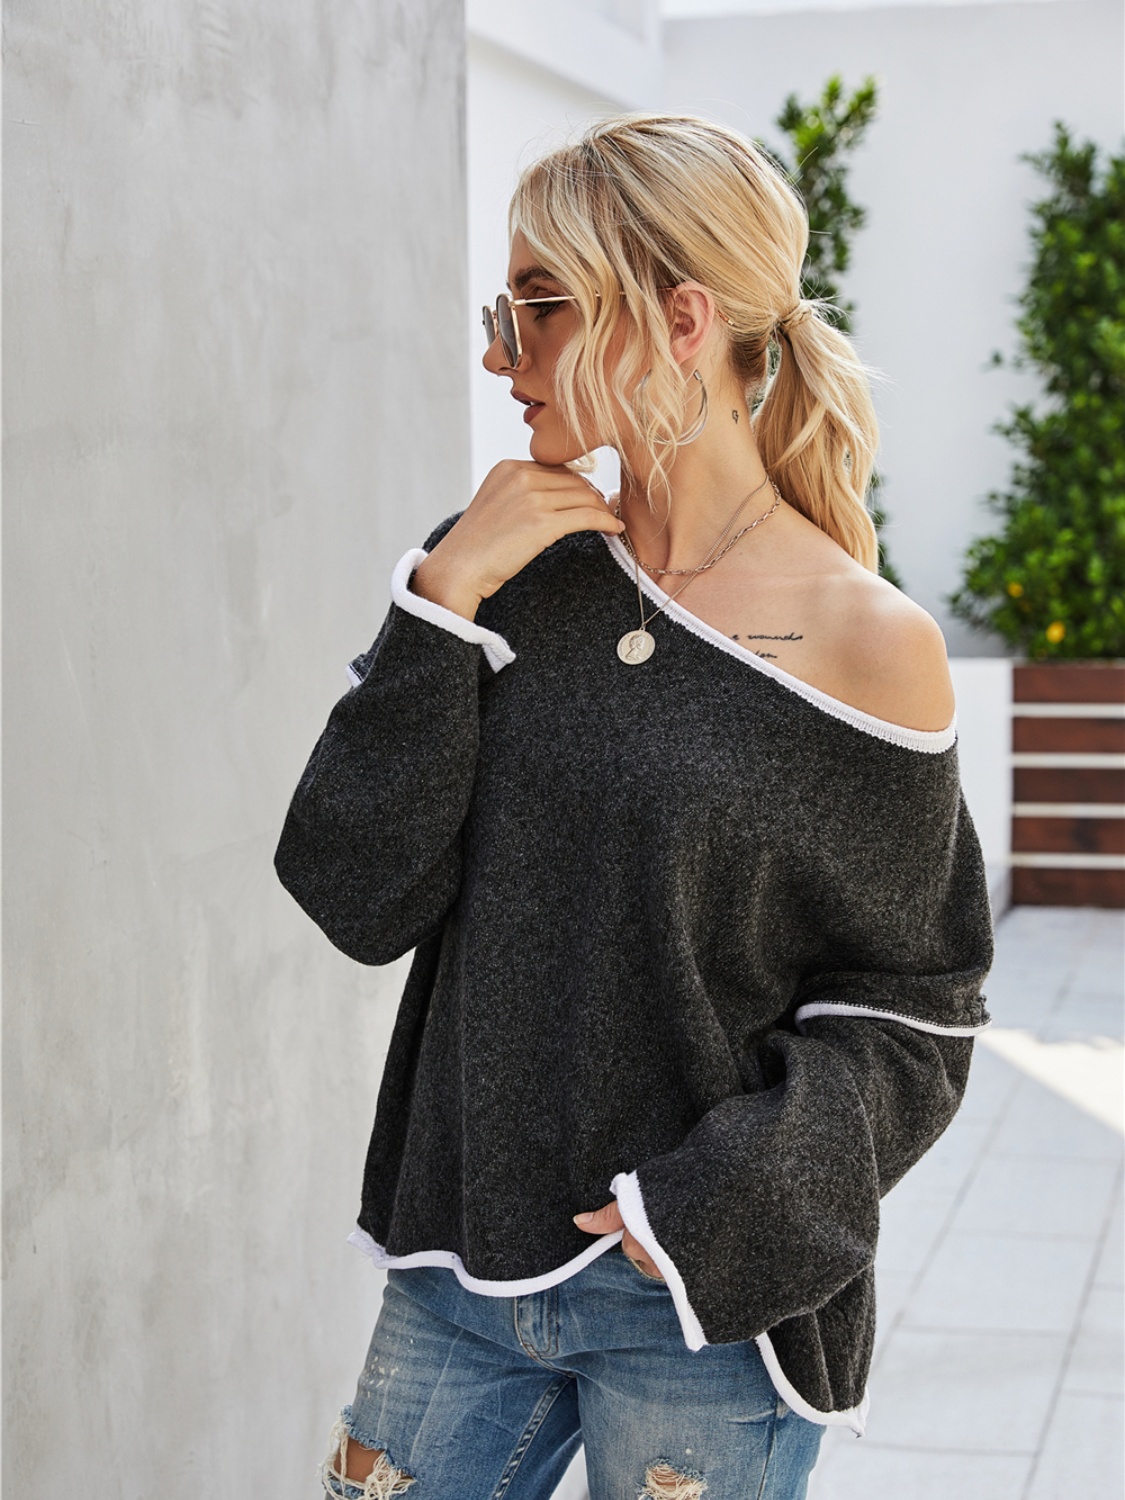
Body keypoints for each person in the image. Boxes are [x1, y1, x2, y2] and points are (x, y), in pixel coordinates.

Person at [275, 112, 994, 1500]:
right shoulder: (500, 574)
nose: (502, 357)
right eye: (501, 312)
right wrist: (440, 601)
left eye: (538, 308)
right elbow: (354, 894)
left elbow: (916, 1009)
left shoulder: (865, 640)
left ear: (679, 319)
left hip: (701, 1302)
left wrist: (711, 1211)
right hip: (461, 1263)